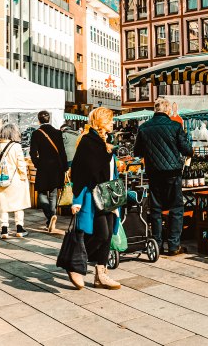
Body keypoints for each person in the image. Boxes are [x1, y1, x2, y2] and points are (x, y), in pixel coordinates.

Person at [134, 97, 193, 256]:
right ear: (167, 110)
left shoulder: (144, 127)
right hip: (173, 173)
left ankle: (157, 244)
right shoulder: (175, 126)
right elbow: (187, 149)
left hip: (153, 172)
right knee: (176, 208)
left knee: (156, 209)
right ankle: (174, 245)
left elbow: (137, 152)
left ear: (155, 110)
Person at [70, 107, 121, 291]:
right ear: (100, 121)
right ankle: (74, 264)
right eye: (109, 120)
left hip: (108, 195)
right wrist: (77, 200)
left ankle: (101, 275)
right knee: (102, 234)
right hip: (94, 196)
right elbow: (80, 173)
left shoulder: (105, 142)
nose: (112, 123)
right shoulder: (88, 141)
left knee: (107, 236)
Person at [29, 110, 68, 232]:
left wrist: (37, 163)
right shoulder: (57, 132)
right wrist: (65, 167)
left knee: (41, 193)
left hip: (43, 167)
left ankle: (50, 217)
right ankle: (52, 216)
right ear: (49, 119)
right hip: (57, 167)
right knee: (53, 193)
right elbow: (62, 151)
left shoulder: (36, 133)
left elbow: (32, 152)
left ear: (39, 120)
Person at [0, 124, 31, 239]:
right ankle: (19, 229)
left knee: (3, 206)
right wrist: (24, 177)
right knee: (18, 205)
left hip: (2, 179)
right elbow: (20, 164)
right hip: (16, 180)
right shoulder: (16, 146)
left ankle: (4, 230)